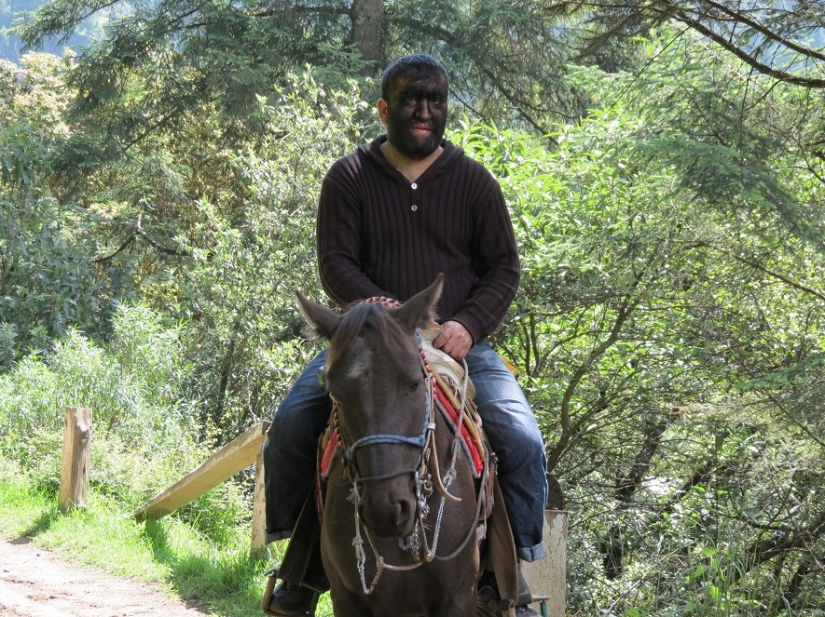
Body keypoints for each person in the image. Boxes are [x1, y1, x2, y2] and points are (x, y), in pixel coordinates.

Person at [263, 54, 548, 616]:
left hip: (455, 342)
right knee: (293, 427)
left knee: (522, 441)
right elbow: (335, 263)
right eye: (412, 100)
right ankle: (301, 571)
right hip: (368, 341)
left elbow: (504, 268)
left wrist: (468, 325)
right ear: (383, 108)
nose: (424, 112)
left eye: (435, 101)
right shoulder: (348, 176)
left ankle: (509, 579)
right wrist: (380, 308)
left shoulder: (472, 180)